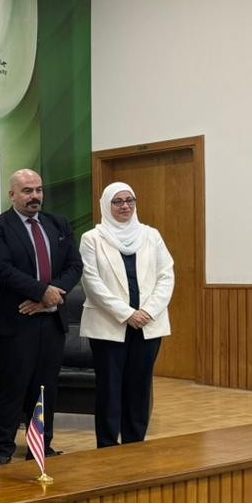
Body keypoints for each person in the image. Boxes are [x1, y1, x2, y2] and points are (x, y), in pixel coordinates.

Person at [0, 169, 83, 464]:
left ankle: (41, 446)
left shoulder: (58, 223)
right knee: (13, 386)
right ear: (12, 194)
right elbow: (3, 268)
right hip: (13, 322)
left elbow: (74, 266)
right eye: (27, 191)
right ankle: (3, 450)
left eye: (38, 189)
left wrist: (52, 295)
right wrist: (42, 292)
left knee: (45, 387)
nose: (35, 196)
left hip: (51, 320)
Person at [79, 181, 174, 447]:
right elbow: (92, 282)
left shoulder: (151, 235)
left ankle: (135, 444)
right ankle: (108, 446)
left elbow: (166, 275)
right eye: (118, 201)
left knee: (139, 387)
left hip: (148, 325)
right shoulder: (92, 238)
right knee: (109, 389)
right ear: (106, 205)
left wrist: (148, 311)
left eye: (129, 200)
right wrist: (127, 314)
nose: (125, 206)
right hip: (108, 326)